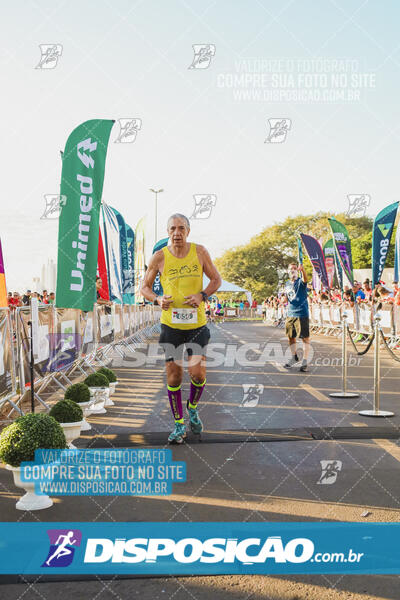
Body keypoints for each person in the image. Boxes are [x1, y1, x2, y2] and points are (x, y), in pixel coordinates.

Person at [141, 213, 221, 444]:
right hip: (171, 326)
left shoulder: (200, 252)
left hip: (196, 325)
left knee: (198, 373)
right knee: (174, 377)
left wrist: (202, 295)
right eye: (173, 229)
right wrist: (157, 299)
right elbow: (144, 287)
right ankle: (178, 424)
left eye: (182, 228)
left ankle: (193, 408)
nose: (177, 233)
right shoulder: (159, 257)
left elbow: (216, 279)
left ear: (188, 231)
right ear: (168, 232)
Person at [283, 262, 310, 372]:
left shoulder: (300, 281)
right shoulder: (287, 284)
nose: (293, 270)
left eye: (295, 268)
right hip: (290, 314)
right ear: (288, 271)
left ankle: (305, 361)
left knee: (305, 338)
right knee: (290, 337)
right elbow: (287, 297)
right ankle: (294, 357)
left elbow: (305, 280)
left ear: (297, 270)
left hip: (301, 313)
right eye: (291, 268)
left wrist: (302, 270)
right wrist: (283, 300)